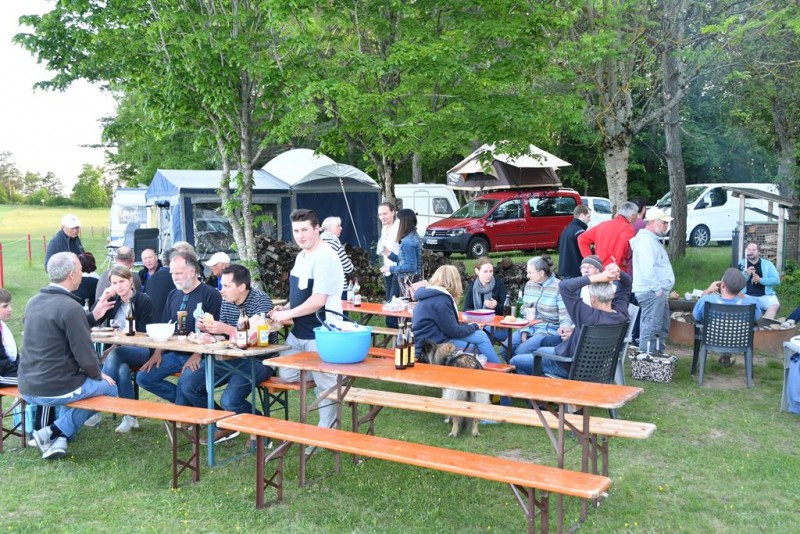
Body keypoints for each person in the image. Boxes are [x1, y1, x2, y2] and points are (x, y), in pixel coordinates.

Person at [18, 252, 118, 460]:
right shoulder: (70, 307)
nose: (82, 275)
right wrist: (98, 374)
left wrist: (93, 316)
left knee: (78, 387)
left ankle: (58, 440)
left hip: (27, 385)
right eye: (80, 271)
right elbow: (85, 354)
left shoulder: (33, 302)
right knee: (110, 388)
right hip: (55, 386)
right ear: (72, 275)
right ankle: (55, 431)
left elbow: (61, 329)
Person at [269, 209, 344, 432]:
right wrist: (287, 307)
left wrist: (287, 315)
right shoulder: (301, 255)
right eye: (296, 231)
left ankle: (326, 430)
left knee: (326, 385)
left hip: (323, 331)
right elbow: (302, 293)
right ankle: (331, 373)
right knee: (287, 373)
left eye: (304, 230)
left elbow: (318, 301)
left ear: (317, 228)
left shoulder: (326, 257)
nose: (300, 236)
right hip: (299, 332)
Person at [190, 264, 275, 444]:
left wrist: (225, 329)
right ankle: (226, 424)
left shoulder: (261, 301)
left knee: (230, 400)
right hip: (231, 357)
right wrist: (210, 331)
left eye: (227, 286)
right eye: (222, 285)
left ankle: (263, 429)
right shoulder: (227, 301)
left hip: (260, 360)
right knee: (189, 384)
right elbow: (225, 336)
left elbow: (258, 337)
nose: (222, 290)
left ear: (242, 287)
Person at [136, 250, 222, 411]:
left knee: (186, 383)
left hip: (203, 355)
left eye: (179, 273)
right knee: (144, 377)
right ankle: (186, 407)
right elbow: (166, 326)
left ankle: (211, 415)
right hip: (175, 353)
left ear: (192, 271)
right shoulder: (173, 294)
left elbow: (216, 332)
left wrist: (197, 354)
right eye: (172, 273)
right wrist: (157, 353)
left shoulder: (210, 294)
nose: (174, 277)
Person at [523, 263, 631, 378]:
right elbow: (627, 283)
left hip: (566, 366)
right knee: (541, 349)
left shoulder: (588, 316)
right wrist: (618, 272)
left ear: (593, 299)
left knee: (516, 361)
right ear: (612, 295)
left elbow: (564, 286)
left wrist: (599, 277)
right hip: (596, 369)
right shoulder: (620, 314)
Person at [90, 265, 155, 433]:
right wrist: (103, 298)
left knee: (116, 355)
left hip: (142, 349)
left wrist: (114, 347)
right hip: (119, 351)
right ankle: (130, 417)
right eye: (114, 283)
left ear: (130, 281)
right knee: (122, 369)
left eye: (121, 281)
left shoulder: (144, 300)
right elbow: (94, 319)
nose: (118, 286)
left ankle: (96, 404)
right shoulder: (113, 301)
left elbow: (144, 333)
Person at [413, 264, 502, 364]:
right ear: (454, 281)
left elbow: (449, 327)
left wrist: (472, 326)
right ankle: (499, 368)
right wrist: (474, 326)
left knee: (481, 337)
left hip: (428, 341)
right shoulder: (442, 301)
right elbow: (453, 331)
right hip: (433, 347)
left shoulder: (430, 295)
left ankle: (496, 367)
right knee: (479, 344)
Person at [630, 208, 675, 353]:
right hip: (651, 292)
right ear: (653, 222)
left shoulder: (651, 240)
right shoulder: (646, 242)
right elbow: (647, 269)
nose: (666, 226)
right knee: (651, 327)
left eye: (667, 223)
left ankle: (657, 357)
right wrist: (657, 290)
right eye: (664, 222)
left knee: (661, 326)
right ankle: (647, 359)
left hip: (656, 292)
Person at [510, 255, 572, 359]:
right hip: (529, 326)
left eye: (530, 273)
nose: (527, 276)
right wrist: (524, 331)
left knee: (520, 352)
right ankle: (517, 367)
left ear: (541, 273)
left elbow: (565, 315)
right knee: (505, 348)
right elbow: (524, 310)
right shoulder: (530, 285)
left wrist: (565, 328)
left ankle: (523, 365)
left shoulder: (559, 287)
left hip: (548, 330)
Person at [577, 201, 639, 272]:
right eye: (636, 216)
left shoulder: (603, 224)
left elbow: (582, 238)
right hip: (614, 270)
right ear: (632, 216)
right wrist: (617, 264)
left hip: (599, 268)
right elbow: (622, 248)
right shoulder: (628, 228)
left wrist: (591, 260)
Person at [463, 257, 508, 343]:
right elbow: (466, 310)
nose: (489, 275)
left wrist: (496, 305)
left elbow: (507, 310)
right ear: (477, 271)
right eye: (485, 271)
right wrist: (480, 313)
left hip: (498, 327)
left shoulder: (499, 284)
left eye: (491, 271)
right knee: (477, 332)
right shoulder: (473, 287)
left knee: (479, 334)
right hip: (477, 324)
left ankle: (478, 350)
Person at [381, 208, 423, 301]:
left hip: (408, 282)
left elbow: (411, 266)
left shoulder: (407, 241)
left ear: (403, 222)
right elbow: (404, 260)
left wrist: (390, 268)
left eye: (397, 221)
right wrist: (390, 255)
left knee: (398, 306)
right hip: (408, 280)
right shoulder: (413, 236)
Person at [737, 242, 781, 319]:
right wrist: (747, 275)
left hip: (765, 296)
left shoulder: (767, 264)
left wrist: (760, 280)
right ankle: (756, 323)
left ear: (759, 252)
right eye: (749, 250)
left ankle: (764, 324)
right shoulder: (741, 264)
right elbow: (736, 282)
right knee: (743, 307)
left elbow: (776, 280)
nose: (751, 252)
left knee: (774, 306)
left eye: (754, 250)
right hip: (746, 295)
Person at [377, 202, 400, 327]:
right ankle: (394, 330)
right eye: (380, 214)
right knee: (390, 300)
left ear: (393, 212)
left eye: (385, 213)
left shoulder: (399, 226)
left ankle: (394, 329)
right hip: (387, 270)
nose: (382, 217)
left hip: (398, 269)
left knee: (394, 301)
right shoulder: (384, 228)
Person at [321, 216, 355, 291]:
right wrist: (349, 262)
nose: (341, 228)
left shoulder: (318, 244)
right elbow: (348, 268)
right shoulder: (335, 245)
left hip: (321, 287)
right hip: (337, 288)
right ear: (329, 229)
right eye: (338, 226)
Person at [557, 205, 591, 279]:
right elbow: (584, 252)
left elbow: (559, 248)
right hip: (575, 272)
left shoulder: (566, 230)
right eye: (588, 216)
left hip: (564, 270)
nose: (590, 219)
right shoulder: (579, 231)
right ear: (582, 215)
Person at [144, 247, 175, 321]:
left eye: (150, 257)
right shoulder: (176, 279)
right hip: (170, 323)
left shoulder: (151, 278)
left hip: (153, 322)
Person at [0, 288, 18, 385]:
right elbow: (2, 362)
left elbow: (13, 353)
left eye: (10, 305)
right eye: (5, 306)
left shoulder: (2, 325)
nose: (10, 309)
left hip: (8, 371)